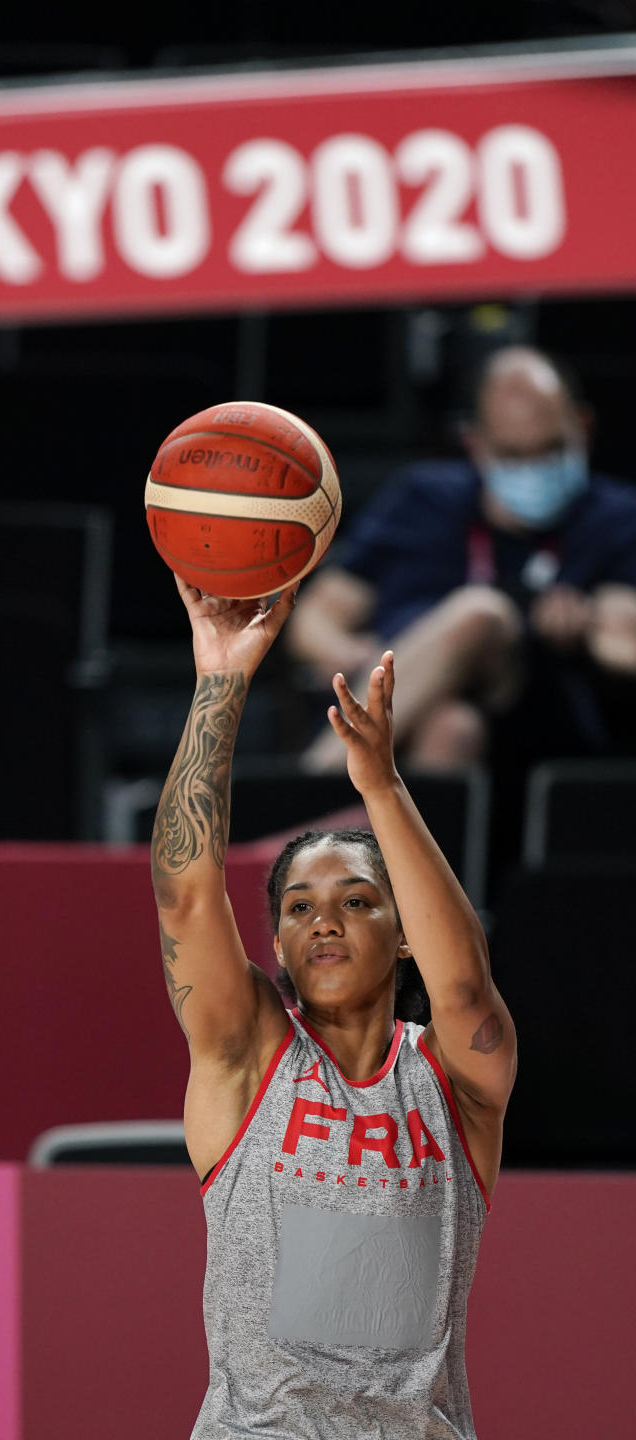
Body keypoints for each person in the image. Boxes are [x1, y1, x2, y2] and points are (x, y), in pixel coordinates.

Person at [151, 572, 517, 1440]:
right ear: (274, 945)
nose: (324, 921)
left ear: (403, 936)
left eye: (357, 900)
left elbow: (463, 983)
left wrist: (381, 785)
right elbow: (186, 901)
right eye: (299, 907)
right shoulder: (246, 1059)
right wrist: (219, 684)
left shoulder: (458, 1077)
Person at [285, 345, 636, 772]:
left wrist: (589, 626)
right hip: (410, 701)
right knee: (452, 728)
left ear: (583, 426)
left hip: (533, 711)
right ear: (475, 442)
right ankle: (349, 838)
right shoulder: (423, 499)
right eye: (513, 455)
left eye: (549, 449)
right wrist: (347, 654)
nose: (534, 468)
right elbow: (317, 616)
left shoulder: (618, 517)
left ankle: (310, 793)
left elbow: (623, 635)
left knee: (480, 614)